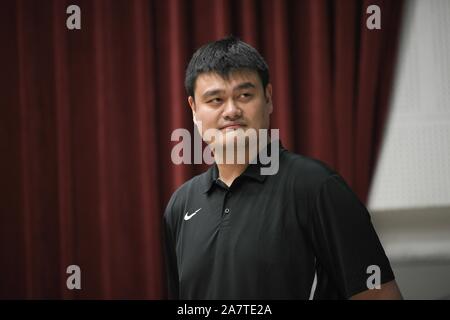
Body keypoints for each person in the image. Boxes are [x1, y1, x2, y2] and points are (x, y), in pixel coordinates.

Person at [163, 36, 403, 300]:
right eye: (215, 100)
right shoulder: (180, 205)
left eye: (244, 95)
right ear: (194, 109)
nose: (231, 110)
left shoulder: (317, 187)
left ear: (268, 99)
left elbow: (381, 296)